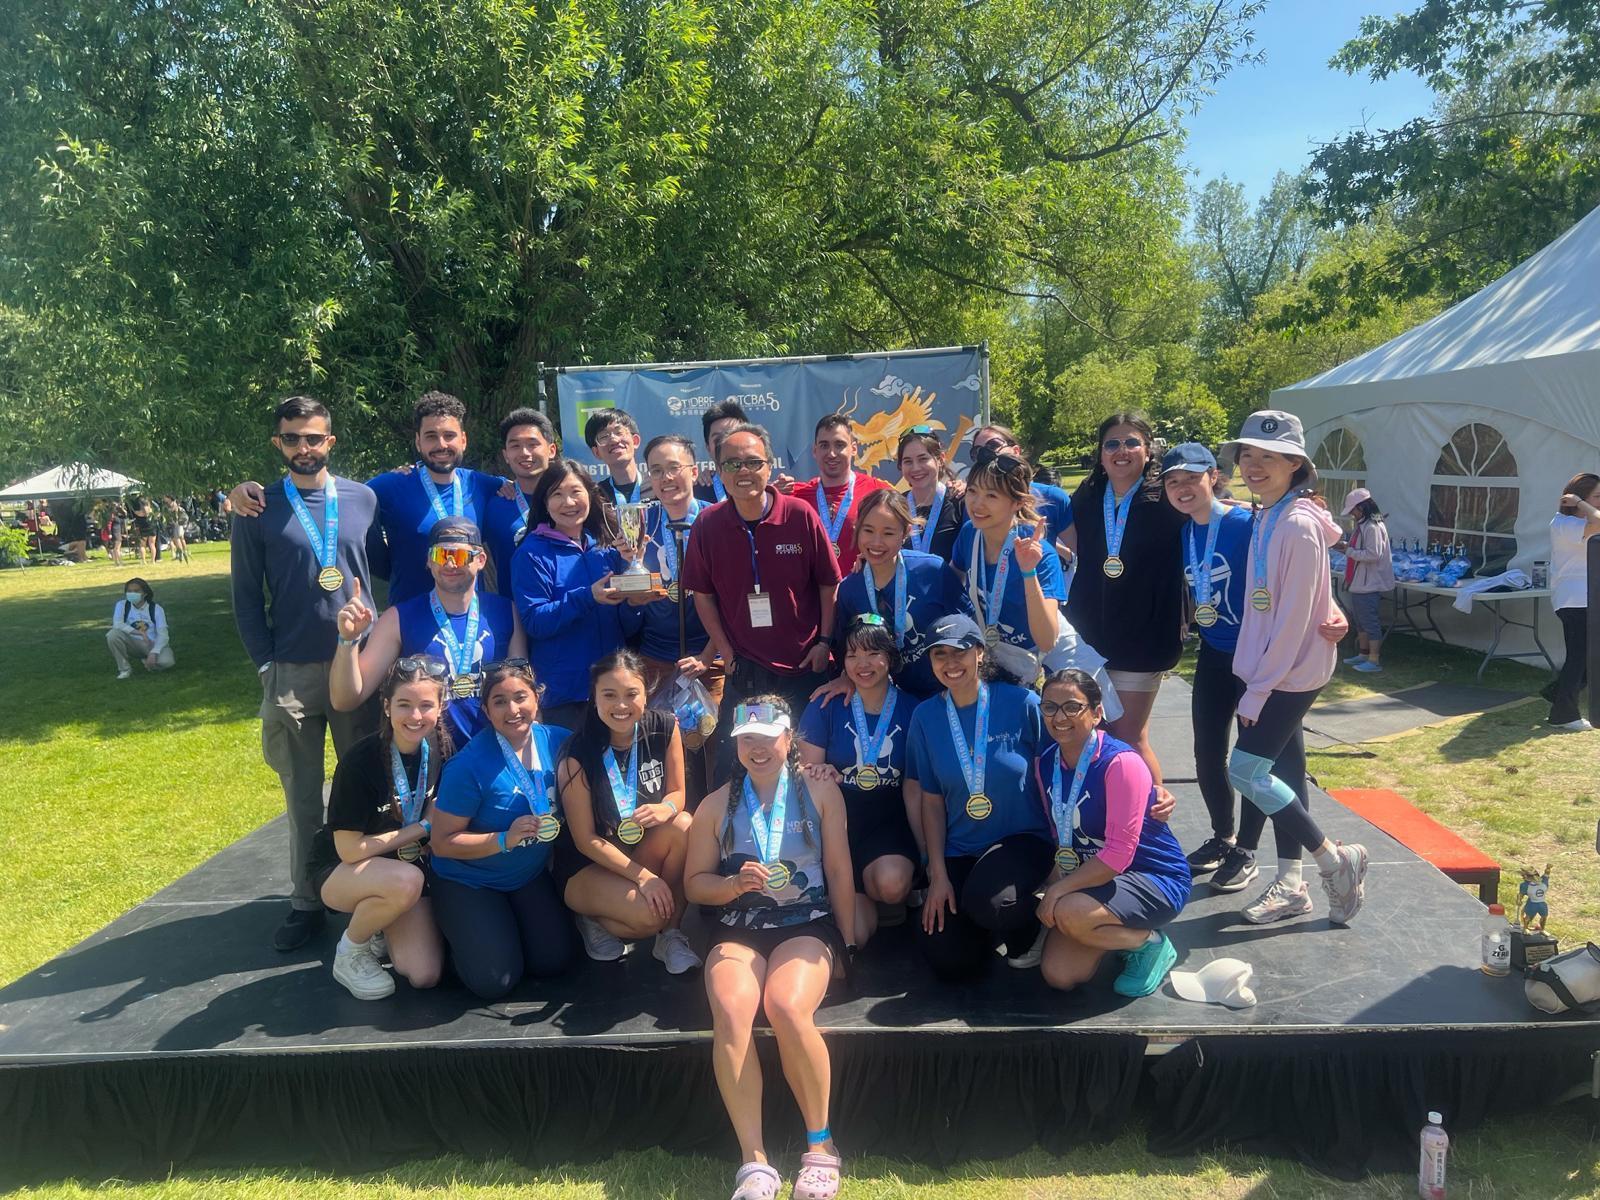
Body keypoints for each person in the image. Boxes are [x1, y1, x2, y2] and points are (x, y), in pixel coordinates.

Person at [230, 395, 385, 950]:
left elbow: (385, 566)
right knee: (300, 796)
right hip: (291, 671)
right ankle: (305, 901)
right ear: (278, 443)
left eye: (313, 438)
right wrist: (267, 665)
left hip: (356, 666)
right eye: (292, 438)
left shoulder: (363, 499)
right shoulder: (257, 507)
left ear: (330, 442)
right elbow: (246, 596)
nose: (303, 448)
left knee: (364, 790)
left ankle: (369, 892)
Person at [685, 697, 854, 1200]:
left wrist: (846, 945)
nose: (757, 748)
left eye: (768, 737)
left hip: (807, 923)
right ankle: (754, 1162)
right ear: (736, 744)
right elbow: (695, 884)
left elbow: (841, 872)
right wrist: (733, 886)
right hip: (740, 926)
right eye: (746, 740)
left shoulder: (820, 790)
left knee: (784, 1005)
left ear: (789, 739)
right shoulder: (715, 805)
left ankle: (820, 1147)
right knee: (732, 1008)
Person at [1221, 410, 1369, 925]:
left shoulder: (1298, 525)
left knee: (1244, 770)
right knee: (1284, 771)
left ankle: (1334, 859)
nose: (1255, 465)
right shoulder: (1269, 514)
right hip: (1267, 667)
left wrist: (1258, 690)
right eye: (1248, 455)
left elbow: (1293, 620)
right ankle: (1290, 883)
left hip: (1286, 674)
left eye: (1269, 457)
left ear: (1295, 464)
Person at [228, 391, 506, 606]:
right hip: (408, 619)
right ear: (418, 442)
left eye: (449, 436)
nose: (441, 445)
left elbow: (535, 491)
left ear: (464, 440)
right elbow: (330, 496)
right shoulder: (388, 486)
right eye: (431, 436)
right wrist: (245, 489)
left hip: (470, 616)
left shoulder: (485, 485)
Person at [680, 423, 843, 777]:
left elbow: (829, 586)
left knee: (804, 772)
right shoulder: (707, 525)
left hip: (803, 670)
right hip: (746, 671)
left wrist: (825, 642)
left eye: (753, 462)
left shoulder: (800, 516)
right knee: (731, 774)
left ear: (770, 466)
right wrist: (726, 650)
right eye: (732, 464)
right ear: (719, 471)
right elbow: (703, 597)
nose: (743, 472)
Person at [909, 614, 1054, 977]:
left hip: (1022, 840)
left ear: (979, 653)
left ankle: (1036, 925)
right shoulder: (925, 717)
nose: (949, 663)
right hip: (962, 849)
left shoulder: (1022, 704)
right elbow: (931, 801)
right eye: (939, 654)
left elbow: (1059, 769)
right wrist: (937, 875)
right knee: (949, 958)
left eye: (959, 651)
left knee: (993, 904)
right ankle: (985, 922)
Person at [428, 658, 579, 999]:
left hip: (526, 876)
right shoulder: (467, 766)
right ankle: (452, 936)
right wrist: (503, 839)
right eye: (499, 701)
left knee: (554, 961)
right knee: (494, 982)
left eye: (521, 697)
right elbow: (442, 843)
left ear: (537, 698)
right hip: (468, 880)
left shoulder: (560, 741)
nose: (513, 709)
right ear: (486, 709)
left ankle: (501, 930)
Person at [1034, 669, 1190, 996]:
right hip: (1097, 882)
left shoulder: (1121, 763)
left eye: (1072, 707)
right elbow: (1055, 830)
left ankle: (1149, 944)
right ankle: (1109, 929)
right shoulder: (1045, 762)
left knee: (1069, 912)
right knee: (1059, 976)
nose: (1059, 716)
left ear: (1097, 713)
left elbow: (1118, 855)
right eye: (1049, 707)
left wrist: (1057, 891)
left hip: (1152, 877)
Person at [307, 657, 448, 1000]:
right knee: (406, 881)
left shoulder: (441, 749)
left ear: (441, 707)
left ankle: (380, 919)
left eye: (426, 705)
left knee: (424, 973)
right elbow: (349, 850)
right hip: (342, 869)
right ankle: (351, 952)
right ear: (386, 706)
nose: (415, 716)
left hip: (403, 868)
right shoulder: (360, 760)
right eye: (404, 704)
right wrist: (423, 828)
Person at [553, 651, 701, 972]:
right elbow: (584, 840)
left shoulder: (664, 726)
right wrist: (645, 878)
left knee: (684, 824)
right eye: (609, 695)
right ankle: (592, 918)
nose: (621, 705)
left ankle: (671, 936)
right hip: (589, 865)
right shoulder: (576, 754)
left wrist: (667, 807)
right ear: (593, 697)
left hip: (637, 852)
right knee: (649, 918)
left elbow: (678, 794)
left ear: (646, 693)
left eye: (631, 694)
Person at [1063, 411, 1187, 782]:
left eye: (1132, 442)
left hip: (1143, 637)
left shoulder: (1166, 499)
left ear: (1148, 451)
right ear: (1100, 453)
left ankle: (1151, 828)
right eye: (1112, 443)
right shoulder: (1086, 496)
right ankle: (1109, 822)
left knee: (1129, 737)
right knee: (1095, 738)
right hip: (1091, 636)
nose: (1122, 450)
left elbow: (1210, 512)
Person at [329, 518, 525, 747]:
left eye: (460, 556)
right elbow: (346, 699)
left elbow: (522, 692)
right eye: (441, 555)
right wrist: (348, 640)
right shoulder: (398, 618)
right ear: (429, 561)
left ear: (481, 560)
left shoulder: (505, 611)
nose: (450, 564)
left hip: (492, 753)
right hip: (428, 756)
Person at [799, 615, 922, 946]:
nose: (862, 664)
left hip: (888, 820)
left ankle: (886, 894)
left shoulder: (914, 709)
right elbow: (805, 770)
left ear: (890, 658)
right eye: (852, 656)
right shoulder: (825, 704)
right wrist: (820, 774)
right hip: (839, 821)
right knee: (853, 937)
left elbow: (919, 785)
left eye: (872, 654)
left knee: (892, 885)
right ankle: (859, 897)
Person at [510, 458, 647, 730]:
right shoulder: (531, 553)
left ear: (589, 494)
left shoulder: (607, 549)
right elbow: (535, 622)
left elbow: (627, 626)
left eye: (575, 492)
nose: (568, 502)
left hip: (613, 689)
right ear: (544, 503)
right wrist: (587, 597)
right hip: (565, 694)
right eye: (557, 494)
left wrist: (635, 603)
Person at [638, 434, 724, 794]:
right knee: (661, 761)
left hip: (710, 659)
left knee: (713, 755)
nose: (666, 478)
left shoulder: (717, 521)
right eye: (657, 471)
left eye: (674, 468)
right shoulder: (641, 523)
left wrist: (708, 656)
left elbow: (729, 601)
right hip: (655, 662)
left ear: (693, 469)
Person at [832, 489, 961, 700]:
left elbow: (966, 627)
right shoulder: (850, 590)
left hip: (946, 692)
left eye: (888, 533)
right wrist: (846, 676)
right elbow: (847, 648)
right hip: (891, 701)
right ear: (857, 530)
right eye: (868, 530)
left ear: (906, 532)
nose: (876, 542)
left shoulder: (932, 570)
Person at [790, 414, 892, 574]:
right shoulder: (795, 496)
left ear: (853, 449)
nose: (831, 453)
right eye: (824, 445)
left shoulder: (879, 492)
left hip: (862, 593)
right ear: (814, 451)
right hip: (813, 596)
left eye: (839, 445)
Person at [481, 407, 560, 597]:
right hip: (515, 619)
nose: (524, 453)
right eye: (515, 446)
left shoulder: (573, 502)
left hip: (572, 612)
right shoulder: (494, 506)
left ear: (551, 450)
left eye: (533, 444)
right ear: (506, 455)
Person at [1547, 473, 1600, 730]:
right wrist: (1580, 502)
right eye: (1598, 497)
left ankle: (1557, 693)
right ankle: (1563, 715)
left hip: (1587, 598)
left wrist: (1584, 504)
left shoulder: (1583, 523)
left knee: (1589, 658)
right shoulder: (1563, 524)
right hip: (1573, 599)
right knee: (1579, 657)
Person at [968, 424, 1074, 550]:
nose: (986, 454)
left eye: (993, 445)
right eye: (977, 451)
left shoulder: (1053, 497)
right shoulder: (970, 502)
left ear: (1016, 451)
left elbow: (1081, 552)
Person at [1336, 487, 1395, 674]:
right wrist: (1347, 548)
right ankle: (1363, 654)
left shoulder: (1372, 526)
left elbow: (1373, 554)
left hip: (1369, 583)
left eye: (1353, 510)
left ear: (1362, 507)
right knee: (1361, 622)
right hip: (1361, 581)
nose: (1352, 514)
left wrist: (1347, 551)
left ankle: (1374, 660)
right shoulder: (1365, 524)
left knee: (1369, 622)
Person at [897, 427, 968, 562]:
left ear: (940, 459)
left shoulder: (960, 501)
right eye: (908, 461)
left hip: (948, 583)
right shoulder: (896, 506)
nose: (916, 468)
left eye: (923, 459)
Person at [584, 407, 654, 508]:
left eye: (619, 432)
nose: (613, 440)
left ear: (635, 441)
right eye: (604, 436)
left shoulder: (657, 484)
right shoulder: (595, 497)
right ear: (596, 452)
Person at [107, 577, 175, 678]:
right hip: (133, 642)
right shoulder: (122, 605)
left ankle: (149, 661)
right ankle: (125, 669)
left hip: (152, 643)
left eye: (136, 591)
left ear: (145, 593)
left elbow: (163, 635)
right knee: (112, 634)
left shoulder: (156, 609)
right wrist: (139, 633)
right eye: (129, 591)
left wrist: (154, 652)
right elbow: (117, 624)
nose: (132, 593)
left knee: (167, 662)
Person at [694, 399, 748, 504]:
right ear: (708, 448)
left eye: (732, 435)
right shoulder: (696, 494)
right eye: (718, 439)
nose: (726, 443)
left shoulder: (764, 488)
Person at [162, 496, 190, 563]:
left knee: (177, 539)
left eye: (165, 497)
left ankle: (181, 553)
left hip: (176, 524)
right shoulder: (170, 504)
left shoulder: (172, 505)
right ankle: (184, 552)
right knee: (180, 538)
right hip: (176, 524)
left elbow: (174, 515)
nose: (164, 499)